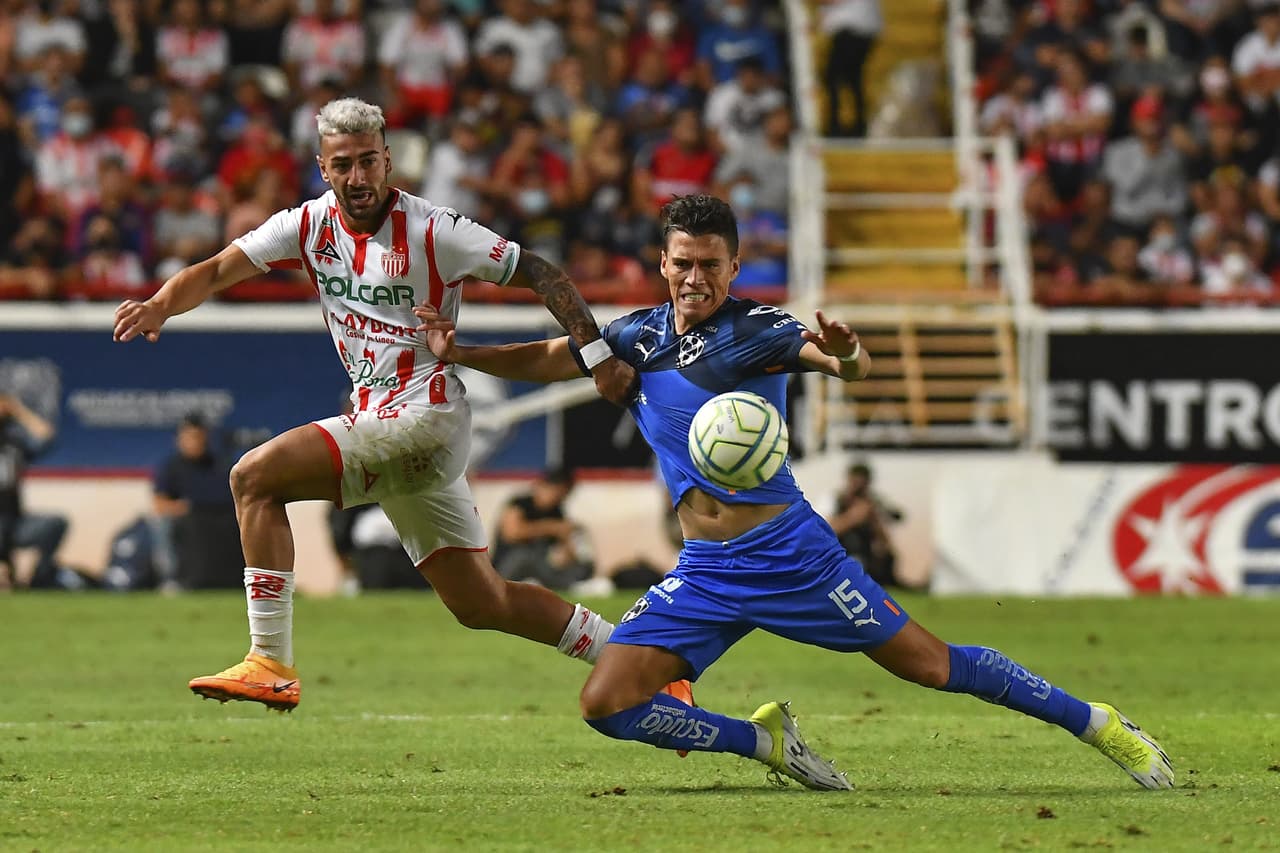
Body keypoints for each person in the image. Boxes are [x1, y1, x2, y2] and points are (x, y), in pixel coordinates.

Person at [413, 194, 1175, 792]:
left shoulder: (759, 331)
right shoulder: (638, 338)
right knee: (607, 704)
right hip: (705, 571)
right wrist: (462, 352)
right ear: (663, 262)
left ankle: (1097, 722)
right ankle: (765, 739)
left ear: (735, 267)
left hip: (790, 554)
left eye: (712, 264)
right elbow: (551, 357)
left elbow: (838, 361)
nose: (696, 278)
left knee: (930, 664)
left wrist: (846, 356)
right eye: (683, 262)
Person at [112, 97, 687, 713]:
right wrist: (161, 305)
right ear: (323, 168)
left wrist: (598, 357)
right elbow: (219, 268)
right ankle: (650, 661)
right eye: (343, 165)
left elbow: (543, 273)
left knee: (253, 478)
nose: (358, 178)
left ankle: (270, 661)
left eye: (368, 161)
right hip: (388, 424)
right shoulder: (307, 226)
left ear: (387, 160)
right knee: (482, 604)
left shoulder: (435, 230)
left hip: (424, 420)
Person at [151, 413, 242, 590]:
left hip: (220, 522)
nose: (195, 442)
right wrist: (185, 508)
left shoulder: (219, 464)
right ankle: (172, 579)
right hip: (187, 522)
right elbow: (159, 505)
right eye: (190, 437)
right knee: (161, 523)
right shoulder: (171, 467)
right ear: (179, 439)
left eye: (199, 436)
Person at [0, 393, 67, 590]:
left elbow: (46, 435)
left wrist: (18, 411)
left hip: (16, 521)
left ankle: (39, 580)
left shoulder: (13, 443)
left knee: (55, 524)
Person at [491, 467, 594, 590]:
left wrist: (569, 547)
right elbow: (512, 533)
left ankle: (571, 585)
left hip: (543, 565)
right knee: (524, 556)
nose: (558, 498)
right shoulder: (520, 504)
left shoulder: (556, 512)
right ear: (542, 486)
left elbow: (564, 552)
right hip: (507, 565)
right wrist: (550, 527)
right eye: (556, 492)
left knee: (582, 565)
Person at [825, 461, 907, 590]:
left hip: (867, 554)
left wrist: (874, 520)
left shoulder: (873, 502)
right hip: (839, 555)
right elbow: (826, 531)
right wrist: (853, 517)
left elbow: (885, 540)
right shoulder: (834, 499)